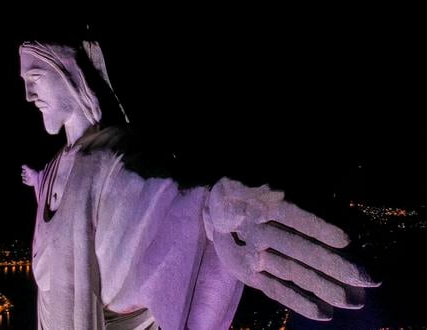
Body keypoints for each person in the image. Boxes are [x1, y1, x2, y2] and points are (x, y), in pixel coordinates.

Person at [19, 40, 378, 329]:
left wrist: (206, 211)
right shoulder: (55, 168)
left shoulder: (107, 158)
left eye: (34, 78)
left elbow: (153, 202)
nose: (28, 95)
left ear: (68, 74)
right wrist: (37, 180)